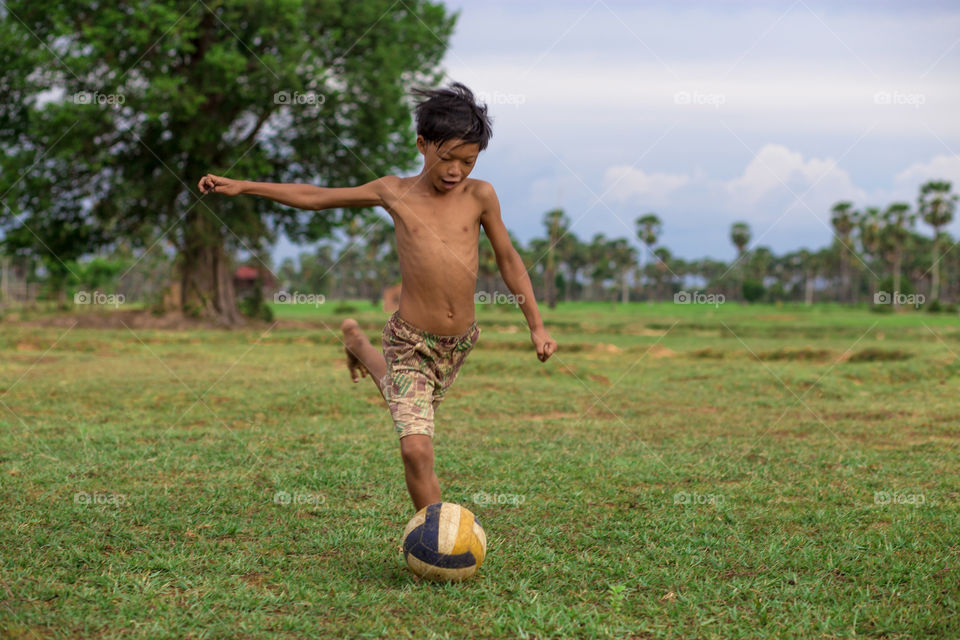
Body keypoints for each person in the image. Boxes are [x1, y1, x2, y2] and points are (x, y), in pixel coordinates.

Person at [198, 82, 557, 511]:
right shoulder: (394, 191)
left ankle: (356, 344)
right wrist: (244, 186)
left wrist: (535, 326)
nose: (455, 171)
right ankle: (435, 537)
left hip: (459, 343)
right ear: (422, 144)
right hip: (408, 340)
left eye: (468, 161)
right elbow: (316, 198)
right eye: (447, 158)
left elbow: (509, 260)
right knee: (416, 448)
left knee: (398, 395)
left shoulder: (481, 196)